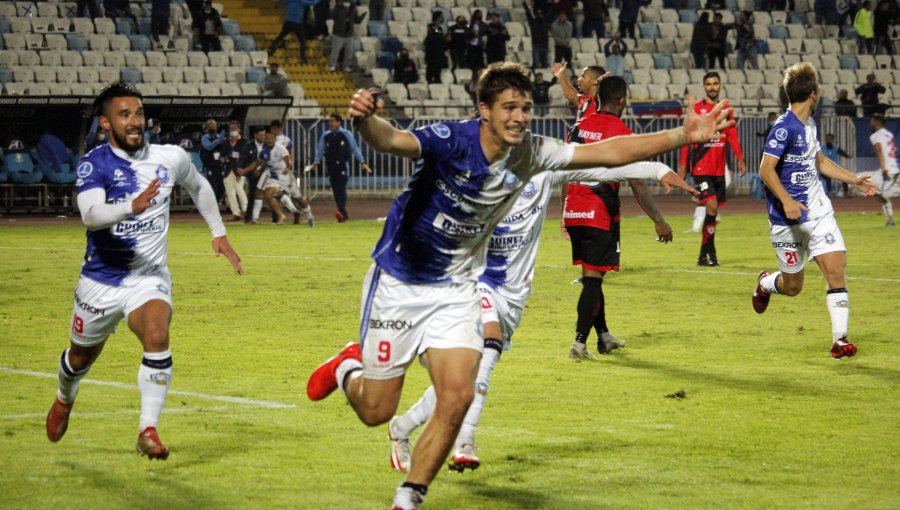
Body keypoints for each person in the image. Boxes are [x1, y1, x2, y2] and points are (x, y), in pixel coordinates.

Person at [305, 62, 732, 510]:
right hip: (400, 281)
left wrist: (683, 136)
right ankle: (346, 367)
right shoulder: (451, 142)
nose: (519, 117)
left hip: (457, 288)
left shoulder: (532, 153)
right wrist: (365, 119)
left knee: (458, 396)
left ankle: (408, 499)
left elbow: (610, 153)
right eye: (509, 107)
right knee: (376, 410)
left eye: (526, 108)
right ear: (483, 109)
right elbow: (392, 140)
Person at [388, 158, 694, 473]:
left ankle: (401, 428)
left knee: (461, 382)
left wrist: (657, 169)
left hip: (512, 297)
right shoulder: (471, 172)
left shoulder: (541, 168)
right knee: (487, 351)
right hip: (473, 284)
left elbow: (606, 167)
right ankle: (465, 441)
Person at [45, 82, 243, 459]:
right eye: (125, 115)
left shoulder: (170, 157)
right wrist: (130, 207)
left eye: (138, 113)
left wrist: (218, 233)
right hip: (100, 282)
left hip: (148, 277)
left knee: (157, 334)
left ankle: (147, 430)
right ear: (106, 124)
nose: (135, 121)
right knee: (79, 359)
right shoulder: (96, 163)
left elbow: (198, 185)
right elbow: (90, 214)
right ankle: (63, 398)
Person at [752, 62, 878, 359]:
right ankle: (765, 284)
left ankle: (839, 339)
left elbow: (819, 162)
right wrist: (786, 200)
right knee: (793, 287)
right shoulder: (783, 128)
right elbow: (765, 170)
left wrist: (854, 179)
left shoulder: (809, 126)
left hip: (818, 212)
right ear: (813, 94)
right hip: (787, 220)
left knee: (836, 271)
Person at [563, 75, 680, 359]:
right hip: (598, 213)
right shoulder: (623, 134)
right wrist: (658, 219)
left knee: (593, 275)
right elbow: (638, 184)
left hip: (573, 210)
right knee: (592, 282)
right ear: (623, 101)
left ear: (597, 98)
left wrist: (567, 209)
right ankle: (579, 344)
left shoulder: (579, 127)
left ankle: (604, 337)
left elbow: (564, 168)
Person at [678, 71, 746, 266]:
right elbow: (686, 139)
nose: (712, 87)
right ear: (704, 87)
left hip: (718, 170)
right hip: (700, 168)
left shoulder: (725, 110)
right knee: (712, 206)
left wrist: (739, 158)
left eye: (715, 83)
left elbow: (732, 134)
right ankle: (711, 252)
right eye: (708, 84)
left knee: (712, 212)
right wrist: (682, 167)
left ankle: (704, 255)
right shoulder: (696, 109)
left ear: (720, 85)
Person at [310, 113, 371, 222]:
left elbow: (354, 148)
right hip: (331, 165)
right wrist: (316, 161)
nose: (331, 123)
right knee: (335, 190)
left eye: (333, 121)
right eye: (330, 121)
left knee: (340, 188)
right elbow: (320, 149)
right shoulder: (326, 135)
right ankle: (342, 213)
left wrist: (363, 162)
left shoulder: (346, 134)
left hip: (343, 166)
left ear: (339, 122)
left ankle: (341, 212)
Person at [867, 113, 899, 226]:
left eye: (872, 120)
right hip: (894, 166)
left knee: (878, 191)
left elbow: (879, 151)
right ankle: (890, 219)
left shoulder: (875, 136)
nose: (871, 122)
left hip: (887, 169)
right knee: (876, 190)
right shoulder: (889, 134)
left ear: (877, 122)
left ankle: (890, 221)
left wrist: (883, 167)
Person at [267, 0, 321, 65]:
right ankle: (303, 59)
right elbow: (313, 3)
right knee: (302, 41)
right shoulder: (302, 2)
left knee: (280, 36)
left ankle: (270, 49)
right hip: (297, 24)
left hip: (288, 22)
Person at [239, 126, 266, 224]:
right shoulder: (248, 145)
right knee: (252, 195)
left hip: (266, 173)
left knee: (270, 195)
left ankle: (276, 217)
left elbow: (267, 160)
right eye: (261, 135)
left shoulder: (267, 144)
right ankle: (249, 218)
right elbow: (243, 158)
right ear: (255, 135)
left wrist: (261, 170)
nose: (263, 137)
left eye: (264, 135)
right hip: (252, 173)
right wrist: (241, 169)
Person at [329, 0, 367, 72]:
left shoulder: (353, 9)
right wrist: (336, 6)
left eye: (348, 2)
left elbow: (357, 21)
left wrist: (362, 16)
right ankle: (332, 66)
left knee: (349, 52)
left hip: (349, 35)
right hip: (338, 34)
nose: (347, 3)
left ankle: (346, 66)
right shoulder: (338, 8)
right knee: (335, 51)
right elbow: (332, 15)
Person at [223, 120, 249, 221]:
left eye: (234, 128)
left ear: (239, 129)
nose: (232, 130)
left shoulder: (244, 142)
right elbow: (222, 154)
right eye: (231, 129)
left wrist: (241, 170)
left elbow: (245, 157)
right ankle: (236, 213)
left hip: (239, 169)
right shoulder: (225, 142)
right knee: (230, 191)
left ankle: (246, 211)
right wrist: (223, 158)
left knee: (239, 189)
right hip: (229, 169)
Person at [200, 119, 226, 204]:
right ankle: (211, 205)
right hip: (209, 166)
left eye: (213, 126)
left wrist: (224, 159)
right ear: (207, 128)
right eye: (210, 126)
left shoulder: (220, 137)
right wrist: (219, 140)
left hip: (219, 166)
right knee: (212, 186)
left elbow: (225, 151)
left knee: (221, 187)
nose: (212, 128)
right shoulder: (205, 138)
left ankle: (216, 202)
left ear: (216, 127)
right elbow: (209, 147)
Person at [821, 133, 853, 198]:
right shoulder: (821, 147)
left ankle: (846, 192)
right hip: (825, 169)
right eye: (827, 139)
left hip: (835, 168)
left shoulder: (836, 148)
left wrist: (849, 156)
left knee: (844, 175)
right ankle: (829, 192)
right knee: (827, 176)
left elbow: (844, 154)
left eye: (830, 139)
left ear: (833, 140)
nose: (828, 140)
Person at [424, 12, 447, 84]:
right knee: (431, 67)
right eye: (441, 17)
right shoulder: (431, 26)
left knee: (438, 67)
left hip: (439, 52)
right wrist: (443, 38)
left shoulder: (440, 28)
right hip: (432, 51)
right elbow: (433, 37)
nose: (442, 18)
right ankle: (430, 80)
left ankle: (437, 79)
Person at [524, 5, 550, 70]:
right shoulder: (533, 22)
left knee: (545, 63)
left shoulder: (546, 22)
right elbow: (528, 14)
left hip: (544, 45)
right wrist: (525, 5)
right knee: (536, 62)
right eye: (538, 14)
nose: (539, 15)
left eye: (540, 14)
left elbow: (550, 11)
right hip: (536, 44)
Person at [466, 10, 487, 75]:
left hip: (479, 43)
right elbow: (467, 33)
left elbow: (485, 33)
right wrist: (471, 33)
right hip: (471, 43)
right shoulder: (470, 24)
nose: (479, 15)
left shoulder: (483, 24)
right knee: (472, 59)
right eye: (478, 14)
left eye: (480, 14)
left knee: (480, 59)